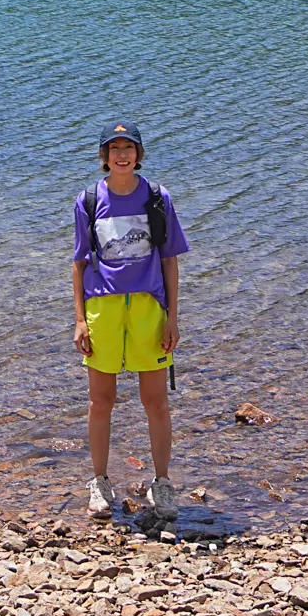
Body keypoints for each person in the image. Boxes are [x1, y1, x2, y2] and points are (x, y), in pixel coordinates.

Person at [71, 119, 188, 519]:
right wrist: (80, 320)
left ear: (138, 154)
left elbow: (170, 260)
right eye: (114, 148)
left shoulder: (158, 198)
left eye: (129, 147)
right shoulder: (88, 201)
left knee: (155, 401)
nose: (122, 155)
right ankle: (100, 481)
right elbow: (79, 263)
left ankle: (163, 483)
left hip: (147, 309)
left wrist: (172, 317)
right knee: (100, 400)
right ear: (104, 157)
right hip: (102, 309)